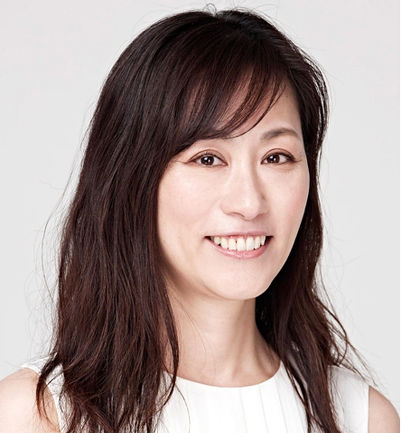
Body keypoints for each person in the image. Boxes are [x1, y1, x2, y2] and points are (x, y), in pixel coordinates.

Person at [0, 7, 398, 433]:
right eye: (208, 159)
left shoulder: (361, 419)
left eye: (276, 157)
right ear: (132, 181)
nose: (249, 203)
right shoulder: (38, 416)